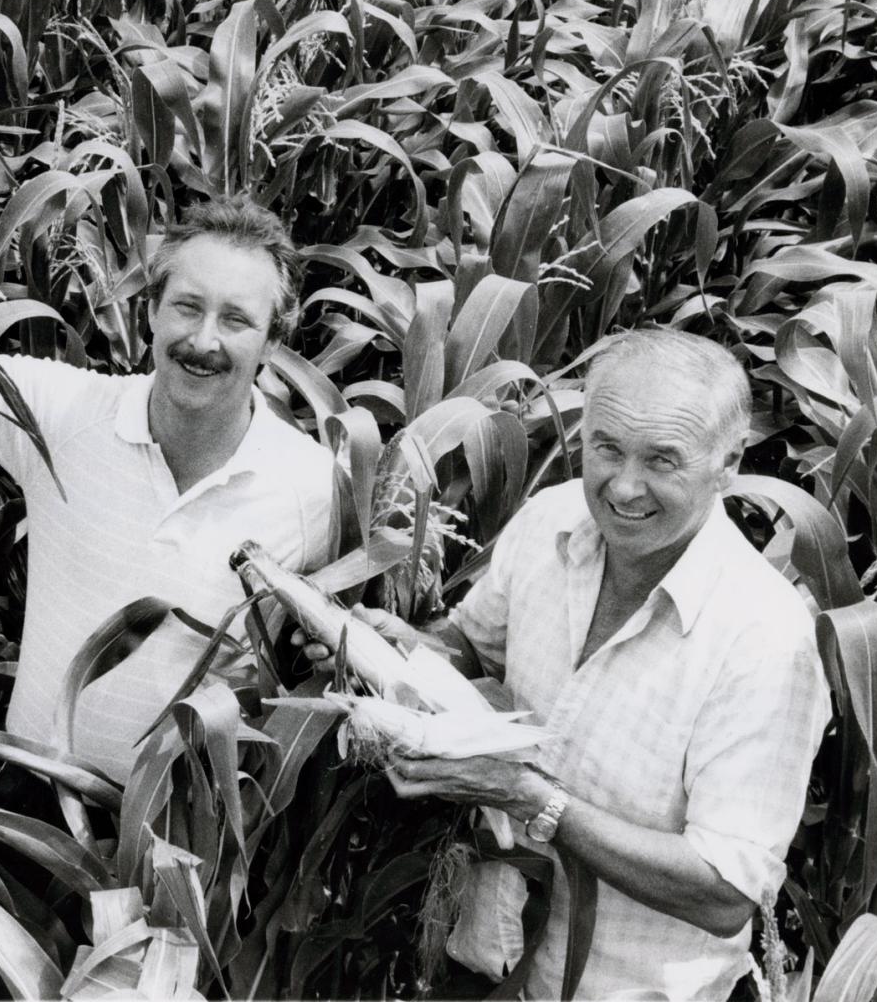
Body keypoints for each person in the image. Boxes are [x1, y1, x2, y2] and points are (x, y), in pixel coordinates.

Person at [298, 329, 830, 999]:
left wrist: (530, 798)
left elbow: (724, 890)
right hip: (489, 968)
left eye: (662, 460)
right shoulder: (548, 523)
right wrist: (393, 645)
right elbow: (470, 645)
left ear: (727, 463)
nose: (623, 487)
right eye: (605, 447)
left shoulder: (763, 640)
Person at [0, 92, 338, 782]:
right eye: (187, 307)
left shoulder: (314, 489)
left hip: (187, 843)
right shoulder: (64, 411)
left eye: (235, 320)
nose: (202, 341)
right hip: (33, 816)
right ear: (150, 310)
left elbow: (321, 667)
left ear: (271, 341)